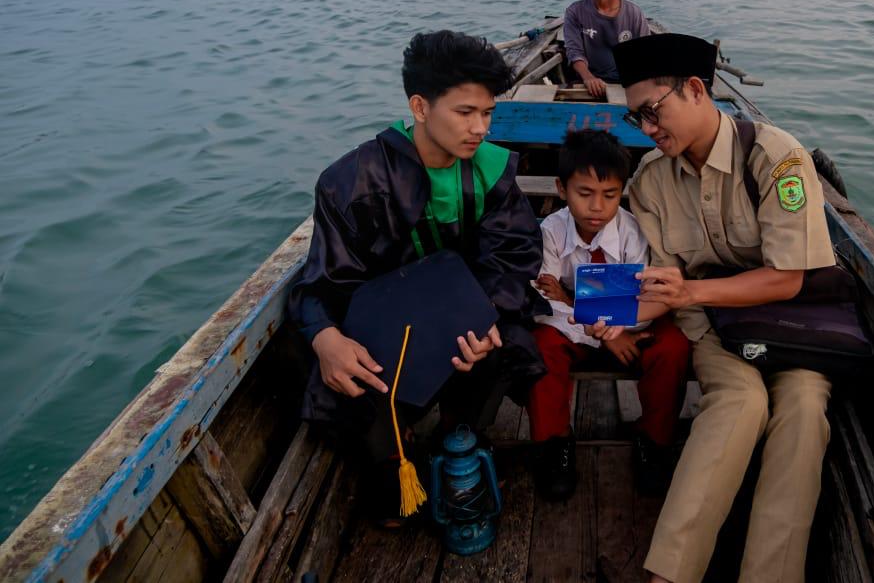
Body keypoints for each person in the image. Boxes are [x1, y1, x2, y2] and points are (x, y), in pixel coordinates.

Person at [286, 30, 547, 521]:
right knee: (339, 371)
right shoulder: (352, 181)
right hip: (385, 331)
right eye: (465, 112)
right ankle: (393, 453)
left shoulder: (491, 173)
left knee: (505, 340)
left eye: (487, 113)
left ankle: (460, 431)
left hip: (461, 319)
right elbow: (322, 282)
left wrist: (489, 313)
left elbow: (514, 255)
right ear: (420, 107)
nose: (480, 129)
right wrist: (325, 338)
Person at [606, 33, 838, 583]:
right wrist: (599, 316)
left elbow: (787, 278)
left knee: (804, 408)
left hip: (796, 326)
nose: (646, 129)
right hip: (715, 330)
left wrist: (690, 292)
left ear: (695, 89)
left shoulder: (777, 158)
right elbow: (663, 286)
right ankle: (669, 575)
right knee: (740, 400)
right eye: (635, 118)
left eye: (652, 111)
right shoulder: (650, 183)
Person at [526, 129, 690, 501]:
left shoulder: (634, 233)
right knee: (541, 345)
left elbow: (643, 301)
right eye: (584, 193)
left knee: (673, 347)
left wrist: (579, 306)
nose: (597, 207)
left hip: (632, 327)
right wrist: (600, 330)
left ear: (623, 192)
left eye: (610, 194)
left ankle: (654, 440)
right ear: (561, 188)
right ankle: (554, 442)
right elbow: (543, 305)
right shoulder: (550, 232)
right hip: (581, 330)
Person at [562, 0, 651, 98]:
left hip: (626, 85)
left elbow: (645, 55)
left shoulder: (634, 13)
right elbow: (574, 52)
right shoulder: (575, 12)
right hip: (589, 85)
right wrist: (589, 78)